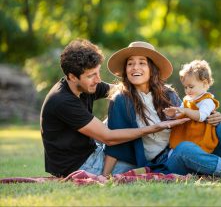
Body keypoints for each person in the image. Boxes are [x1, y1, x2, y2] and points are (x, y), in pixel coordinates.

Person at [103, 41, 221, 177]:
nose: (135, 68)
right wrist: (104, 175)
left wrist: (212, 116)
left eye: (142, 62)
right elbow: (114, 142)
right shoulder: (121, 100)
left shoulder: (168, 94)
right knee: (185, 149)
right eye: (130, 64)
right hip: (165, 162)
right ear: (125, 70)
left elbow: (192, 117)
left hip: (194, 147)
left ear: (152, 69)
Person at [40, 39, 189, 177]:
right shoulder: (62, 101)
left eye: (98, 73)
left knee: (120, 111)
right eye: (91, 75)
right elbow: (108, 138)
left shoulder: (86, 86)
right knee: (146, 163)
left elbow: (123, 91)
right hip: (81, 165)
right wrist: (154, 127)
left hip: (92, 150)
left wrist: (147, 86)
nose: (98, 80)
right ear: (72, 77)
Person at [163, 59, 220, 154]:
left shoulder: (207, 100)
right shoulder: (187, 99)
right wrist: (173, 115)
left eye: (191, 87)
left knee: (193, 154)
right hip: (185, 137)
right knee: (175, 153)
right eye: (185, 87)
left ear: (204, 83)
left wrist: (185, 111)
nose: (187, 90)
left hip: (200, 139)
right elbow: (180, 114)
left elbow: (201, 116)